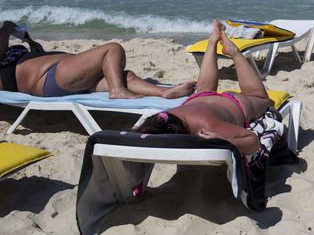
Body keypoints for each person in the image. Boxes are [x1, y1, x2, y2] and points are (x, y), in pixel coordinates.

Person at [136, 21, 274, 155]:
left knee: (259, 97)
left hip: (235, 102)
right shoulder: (159, 119)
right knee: (204, 92)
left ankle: (234, 52)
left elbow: (253, 141)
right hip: (199, 98)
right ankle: (213, 41)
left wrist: (223, 140)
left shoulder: (208, 127)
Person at [0, 20, 195, 99]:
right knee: (112, 49)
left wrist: (28, 39)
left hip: (64, 77)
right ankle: (117, 91)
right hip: (51, 76)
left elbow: (38, 52)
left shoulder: (11, 58)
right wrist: (6, 30)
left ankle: (164, 92)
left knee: (123, 75)